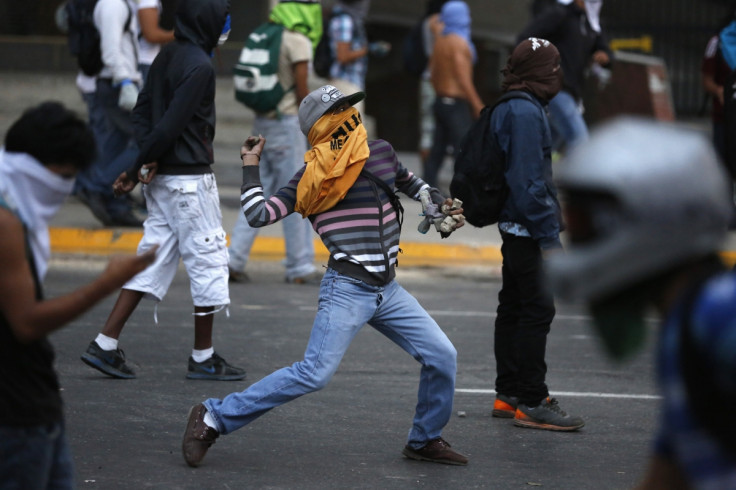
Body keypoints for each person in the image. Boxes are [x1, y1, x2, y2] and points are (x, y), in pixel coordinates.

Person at [181, 84, 468, 467]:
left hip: (388, 289)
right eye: (340, 111)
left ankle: (424, 439)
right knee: (314, 373)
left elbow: (410, 182)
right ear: (319, 127)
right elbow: (258, 215)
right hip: (347, 289)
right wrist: (251, 164)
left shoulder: (378, 151)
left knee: (442, 355)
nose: (351, 117)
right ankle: (213, 416)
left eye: (351, 107)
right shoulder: (311, 179)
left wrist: (432, 201)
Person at [546, 118, 736, 488]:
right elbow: (672, 465)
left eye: (586, 224)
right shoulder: (680, 329)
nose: (578, 242)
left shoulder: (720, 311)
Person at [79, 0, 245, 381]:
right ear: (208, 23)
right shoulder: (200, 66)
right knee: (208, 260)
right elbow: (171, 125)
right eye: (223, 19)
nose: (226, 26)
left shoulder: (168, 54)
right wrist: (138, 167)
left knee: (150, 259)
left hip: (164, 181)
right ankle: (203, 357)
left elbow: (143, 113)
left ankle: (105, 344)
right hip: (189, 183)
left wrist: (143, 163)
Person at [0, 101, 157, 489]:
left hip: (33, 406)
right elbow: (24, 322)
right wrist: (105, 283)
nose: (65, 189)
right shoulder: (6, 223)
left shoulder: (17, 207)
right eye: (64, 176)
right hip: (17, 412)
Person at [488, 38, 584, 431]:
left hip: (513, 225)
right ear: (537, 72)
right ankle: (531, 399)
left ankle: (508, 393)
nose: (558, 74)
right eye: (553, 66)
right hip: (528, 228)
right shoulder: (526, 113)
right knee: (537, 310)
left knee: (513, 306)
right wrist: (548, 240)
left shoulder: (511, 104)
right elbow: (528, 183)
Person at [228, 0, 321, 285]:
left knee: (259, 194)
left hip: (263, 124)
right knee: (295, 195)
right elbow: (303, 89)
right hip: (287, 124)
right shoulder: (298, 41)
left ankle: (233, 259)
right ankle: (300, 266)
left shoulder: (264, 34)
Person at [74, 0, 144, 227]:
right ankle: (98, 187)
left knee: (116, 143)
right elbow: (111, 49)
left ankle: (114, 205)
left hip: (117, 82)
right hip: (117, 83)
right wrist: (124, 80)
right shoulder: (113, 5)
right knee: (145, 140)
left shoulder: (119, 4)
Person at [517, 0, 612, 154]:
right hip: (554, 86)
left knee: (548, 142)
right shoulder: (560, 14)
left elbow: (605, 51)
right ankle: (579, 177)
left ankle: (522, 170)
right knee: (580, 140)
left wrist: (604, 56)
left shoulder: (592, 23)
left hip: (573, 90)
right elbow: (525, 38)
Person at [424, 0, 484, 189]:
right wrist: (477, 105)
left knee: (438, 148)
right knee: (464, 148)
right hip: (455, 103)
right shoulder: (459, 43)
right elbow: (463, 78)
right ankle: (464, 189)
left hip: (441, 100)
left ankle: (428, 185)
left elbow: (431, 72)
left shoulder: (441, 40)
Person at [326, 0, 390, 118]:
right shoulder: (345, 20)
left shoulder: (351, 20)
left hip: (351, 83)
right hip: (344, 84)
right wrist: (367, 50)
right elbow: (343, 56)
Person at [136, 0, 176, 83]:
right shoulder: (148, 2)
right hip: (143, 60)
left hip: (148, 60)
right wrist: (183, 32)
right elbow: (151, 35)